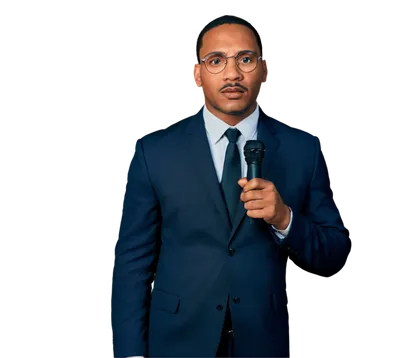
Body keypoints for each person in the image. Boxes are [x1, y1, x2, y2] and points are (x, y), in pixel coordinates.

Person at [110, 13, 348, 358]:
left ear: (265, 70)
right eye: (216, 60)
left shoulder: (303, 149)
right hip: (177, 341)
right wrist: (130, 352)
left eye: (246, 59)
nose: (233, 74)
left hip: (268, 341)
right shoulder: (154, 151)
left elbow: (337, 253)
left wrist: (285, 219)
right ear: (196, 76)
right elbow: (133, 259)